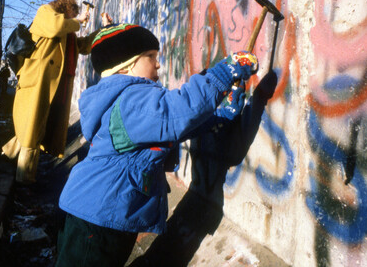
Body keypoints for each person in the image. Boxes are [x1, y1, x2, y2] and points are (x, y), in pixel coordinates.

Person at [55, 23, 258, 267]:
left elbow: (167, 128)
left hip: (103, 214)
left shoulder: (129, 102)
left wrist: (219, 117)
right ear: (126, 65)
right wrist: (224, 74)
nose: (158, 63)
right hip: (97, 221)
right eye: (151, 56)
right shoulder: (131, 99)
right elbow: (177, 111)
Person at [1, 0, 112, 183]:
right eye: (73, 13)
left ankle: (7, 156)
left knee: (35, 125)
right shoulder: (46, 12)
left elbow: (84, 46)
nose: (75, 17)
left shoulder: (67, 32)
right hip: (38, 83)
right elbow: (56, 26)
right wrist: (77, 22)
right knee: (32, 129)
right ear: (65, 8)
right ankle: (24, 181)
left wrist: (104, 30)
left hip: (57, 86)